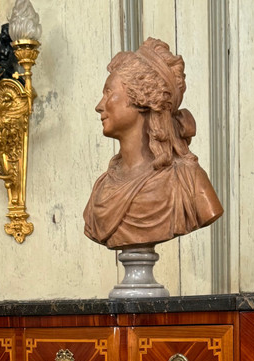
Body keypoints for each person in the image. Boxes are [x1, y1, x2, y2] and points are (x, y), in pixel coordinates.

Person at [84, 37, 223, 249]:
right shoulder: (102, 189)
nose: (99, 106)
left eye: (109, 93)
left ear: (142, 97)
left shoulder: (188, 182)